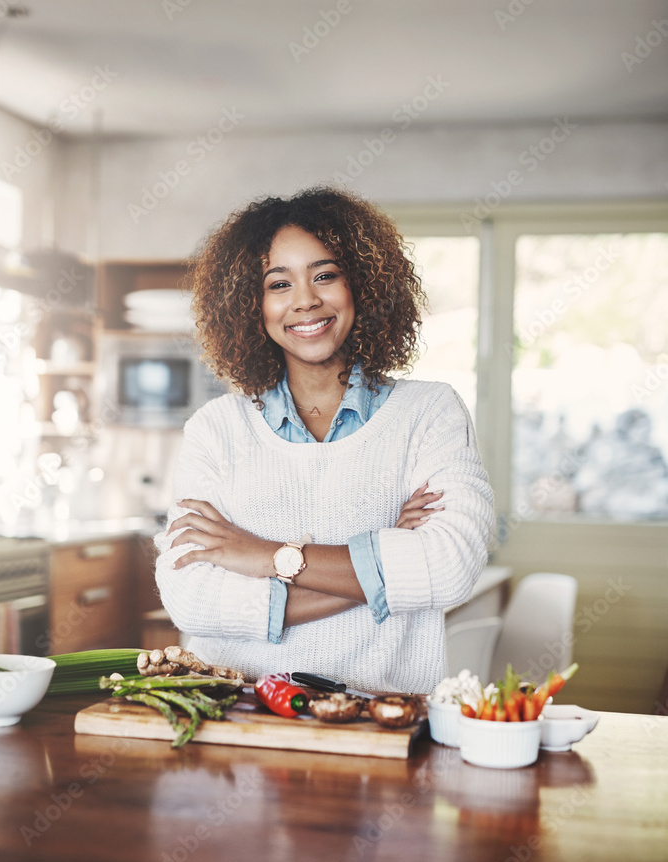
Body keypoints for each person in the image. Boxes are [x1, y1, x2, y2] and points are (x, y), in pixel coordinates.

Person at [154, 187, 494, 694]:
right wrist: (383, 564)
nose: (305, 300)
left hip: (383, 722)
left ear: (362, 284)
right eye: (278, 283)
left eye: (325, 275)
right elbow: (191, 597)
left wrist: (264, 554)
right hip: (233, 719)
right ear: (252, 304)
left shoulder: (429, 412)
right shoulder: (216, 428)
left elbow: (448, 566)